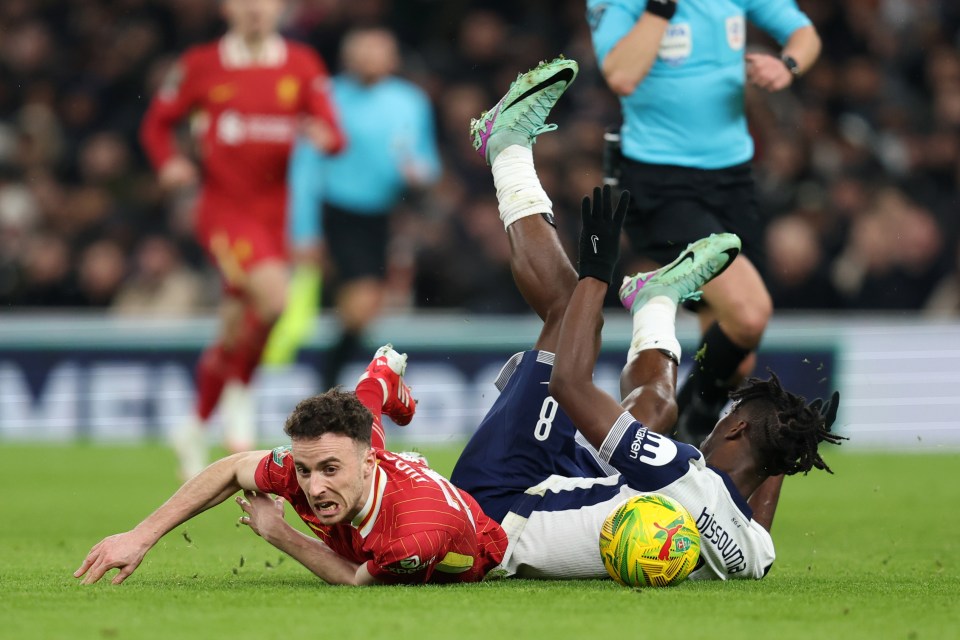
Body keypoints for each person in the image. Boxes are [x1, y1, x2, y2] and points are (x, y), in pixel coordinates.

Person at [450, 58, 844, 580]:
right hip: (565, 486)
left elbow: (570, 383)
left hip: (496, 502)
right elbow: (761, 526)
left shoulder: (679, 470)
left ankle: (505, 146)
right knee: (656, 416)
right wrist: (794, 441)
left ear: (738, 429)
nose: (715, 422)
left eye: (727, 418)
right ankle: (656, 300)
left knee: (571, 310)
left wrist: (596, 273)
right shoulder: (750, 554)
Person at [586, 0, 823, 443]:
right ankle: (687, 426)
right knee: (750, 315)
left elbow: (804, 34)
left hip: (733, 181)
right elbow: (620, 74)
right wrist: (659, 9)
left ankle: (681, 434)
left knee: (738, 357)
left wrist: (786, 66)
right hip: (662, 181)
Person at [74, 345, 508, 586]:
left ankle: (379, 379)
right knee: (359, 418)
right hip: (380, 472)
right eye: (304, 470)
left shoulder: (412, 537)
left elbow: (356, 579)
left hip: (495, 540)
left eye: (328, 471)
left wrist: (278, 532)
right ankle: (380, 376)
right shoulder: (322, 464)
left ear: (368, 466)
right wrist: (140, 536)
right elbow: (232, 467)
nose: (313, 487)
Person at [139, 0, 345, 479]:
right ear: (226, 8)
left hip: (275, 218)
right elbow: (156, 123)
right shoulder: (200, 64)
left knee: (236, 327)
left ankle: (192, 426)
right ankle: (239, 397)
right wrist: (168, 161)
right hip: (223, 213)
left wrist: (323, 136)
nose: (255, 8)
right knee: (274, 299)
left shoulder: (301, 63)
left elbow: (335, 133)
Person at [284, 27, 441, 387]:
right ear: (348, 57)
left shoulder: (410, 101)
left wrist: (417, 172)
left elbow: (429, 163)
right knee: (361, 301)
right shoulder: (329, 98)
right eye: (364, 51)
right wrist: (304, 230)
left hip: (382, 214)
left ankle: (329, 385)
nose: (371, 59)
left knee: (364, 308)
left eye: (379, 51)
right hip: (335, 210)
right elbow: (305, 168)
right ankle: (328, 385)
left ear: (393, 58)